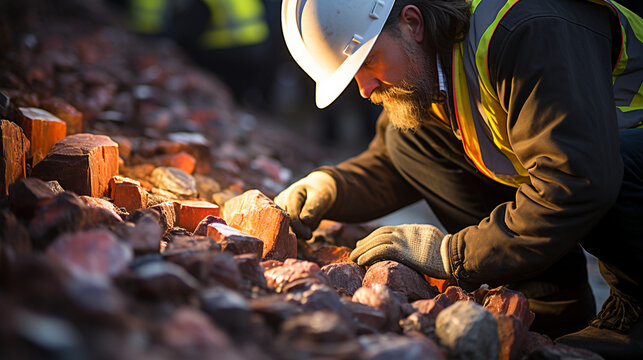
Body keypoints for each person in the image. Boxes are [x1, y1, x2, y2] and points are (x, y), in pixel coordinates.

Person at [275, 0, 643, 357]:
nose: (365, 89)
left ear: (412, 23)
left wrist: (454, 254)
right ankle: (545, 311)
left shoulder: (525, 29)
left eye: (368, 62)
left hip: (624, 150)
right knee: (408, 134)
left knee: (603, 158)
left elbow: (575, 179)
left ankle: (636, 314)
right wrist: (330, 186)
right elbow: (397, 159)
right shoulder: (440, 59)